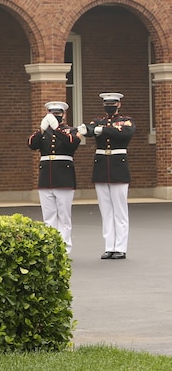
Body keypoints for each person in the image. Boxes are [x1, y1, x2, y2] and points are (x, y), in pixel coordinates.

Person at [78, 92, 134, 260]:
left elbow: (125, 133)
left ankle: (121, 247)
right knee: (106, 210)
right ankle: (109, 246)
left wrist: (101, 130)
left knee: (120, 210)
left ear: (119, 105)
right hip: (102, 167)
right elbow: (88, 129)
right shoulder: (98, 121)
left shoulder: (125, 121)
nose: (109, 106)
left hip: (118, 167)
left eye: (112, 103)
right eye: (106, 103)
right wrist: (87, 129)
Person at [27, 101, 81, 254]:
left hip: (64, 177)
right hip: (46, 177)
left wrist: (56, 129)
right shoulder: (44, 132)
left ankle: (64, 248)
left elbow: (72, 143)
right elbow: (31, 144)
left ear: (63, 115)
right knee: (49, 216)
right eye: (52, 113)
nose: (55, 116)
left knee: (64, 216)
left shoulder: (71, 131)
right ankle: (51, 247)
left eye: (58, 113)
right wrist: (42, 130)